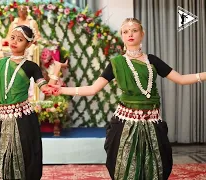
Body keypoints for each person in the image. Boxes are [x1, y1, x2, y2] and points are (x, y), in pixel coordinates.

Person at [48, 18, 206, 180]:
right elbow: (93, 89)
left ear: (142, 34)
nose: (130, 34)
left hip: (152, 122)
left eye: (134, 30)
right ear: (122, 37)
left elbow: (180, 79)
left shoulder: (152, 60)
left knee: (158, 166)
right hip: (126, 123)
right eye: (125, 31)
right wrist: (60, 89)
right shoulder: (117, 63)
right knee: (123, 167)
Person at [0, 25, 65, 180]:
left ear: (28, 44)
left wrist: (56, 70)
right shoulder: (0, 64)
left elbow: (46, 90)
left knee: (25, 154)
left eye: (20, 40)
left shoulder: (31, 67)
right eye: (13, 37)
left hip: (23, 118)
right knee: (5, 155)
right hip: (3, 117)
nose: (14, 42)